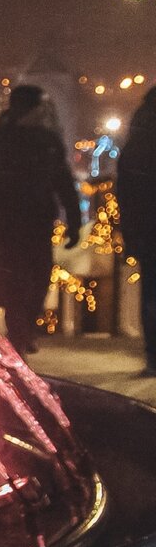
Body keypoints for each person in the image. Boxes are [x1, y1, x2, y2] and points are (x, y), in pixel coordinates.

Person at [0, 85, 82, 355]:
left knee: (37, 278)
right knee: (18, 280)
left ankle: (23, 330)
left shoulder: (46, 142)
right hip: (13, 222)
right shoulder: (1, 142)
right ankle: (19, 332)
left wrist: (73, 221)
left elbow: (63, 183)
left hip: (37, 221)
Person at [115, 87, 156, 374]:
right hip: (148, 227)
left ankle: (153, 356)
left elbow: (126, 193)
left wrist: (131, 234)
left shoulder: (138, 143)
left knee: (151, 294)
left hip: (147, 229)